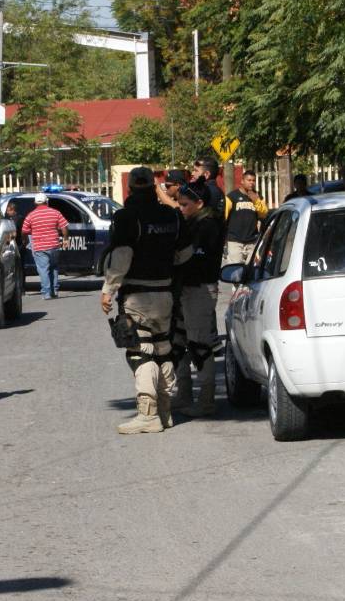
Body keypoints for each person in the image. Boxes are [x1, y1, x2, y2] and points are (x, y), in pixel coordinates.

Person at [101, 167, 193, 434]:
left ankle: (147, 414)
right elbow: (185, 253)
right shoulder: (172, 216)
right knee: (163, 350)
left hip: (136, 296)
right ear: (154, 187)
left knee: (139, 353)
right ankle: (164, 411)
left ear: (130, 188)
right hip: (165, 293)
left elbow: (121, 256)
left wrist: (108, 289)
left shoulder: (126, 217)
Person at [173, 178, 224, 417]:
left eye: (184, 204)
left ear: (199, 203)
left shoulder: (208, 225)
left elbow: (196, 259)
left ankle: (206, 400)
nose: (180, 208)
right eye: (179, 203)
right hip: (185, 289)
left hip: (200, 290)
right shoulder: (190, 223)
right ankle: (183, 394)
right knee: (179, 344)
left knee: (200, 345)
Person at [22, 194, 70, 300]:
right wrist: (65, 239)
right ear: (46, 202)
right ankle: (55, 290)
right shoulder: (55, 213)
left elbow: (24, 231)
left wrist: (24, 241)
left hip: (39, 247)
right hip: (54, 245)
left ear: (35, 203)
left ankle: (47, 293)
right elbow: (64, 227)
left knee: (43, 270)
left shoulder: (31, 215)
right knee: (54, 267)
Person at [224, 169, 269, 265]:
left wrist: (256, 201)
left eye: (253, 180)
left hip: (252, 241)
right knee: (235, 270)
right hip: (235, 241)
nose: (251, 183)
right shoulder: (232, 196)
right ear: (242, 181)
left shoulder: (258, 197)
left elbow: (264, 214)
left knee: (251, 271)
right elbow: (224, 217)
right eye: (249, 180)